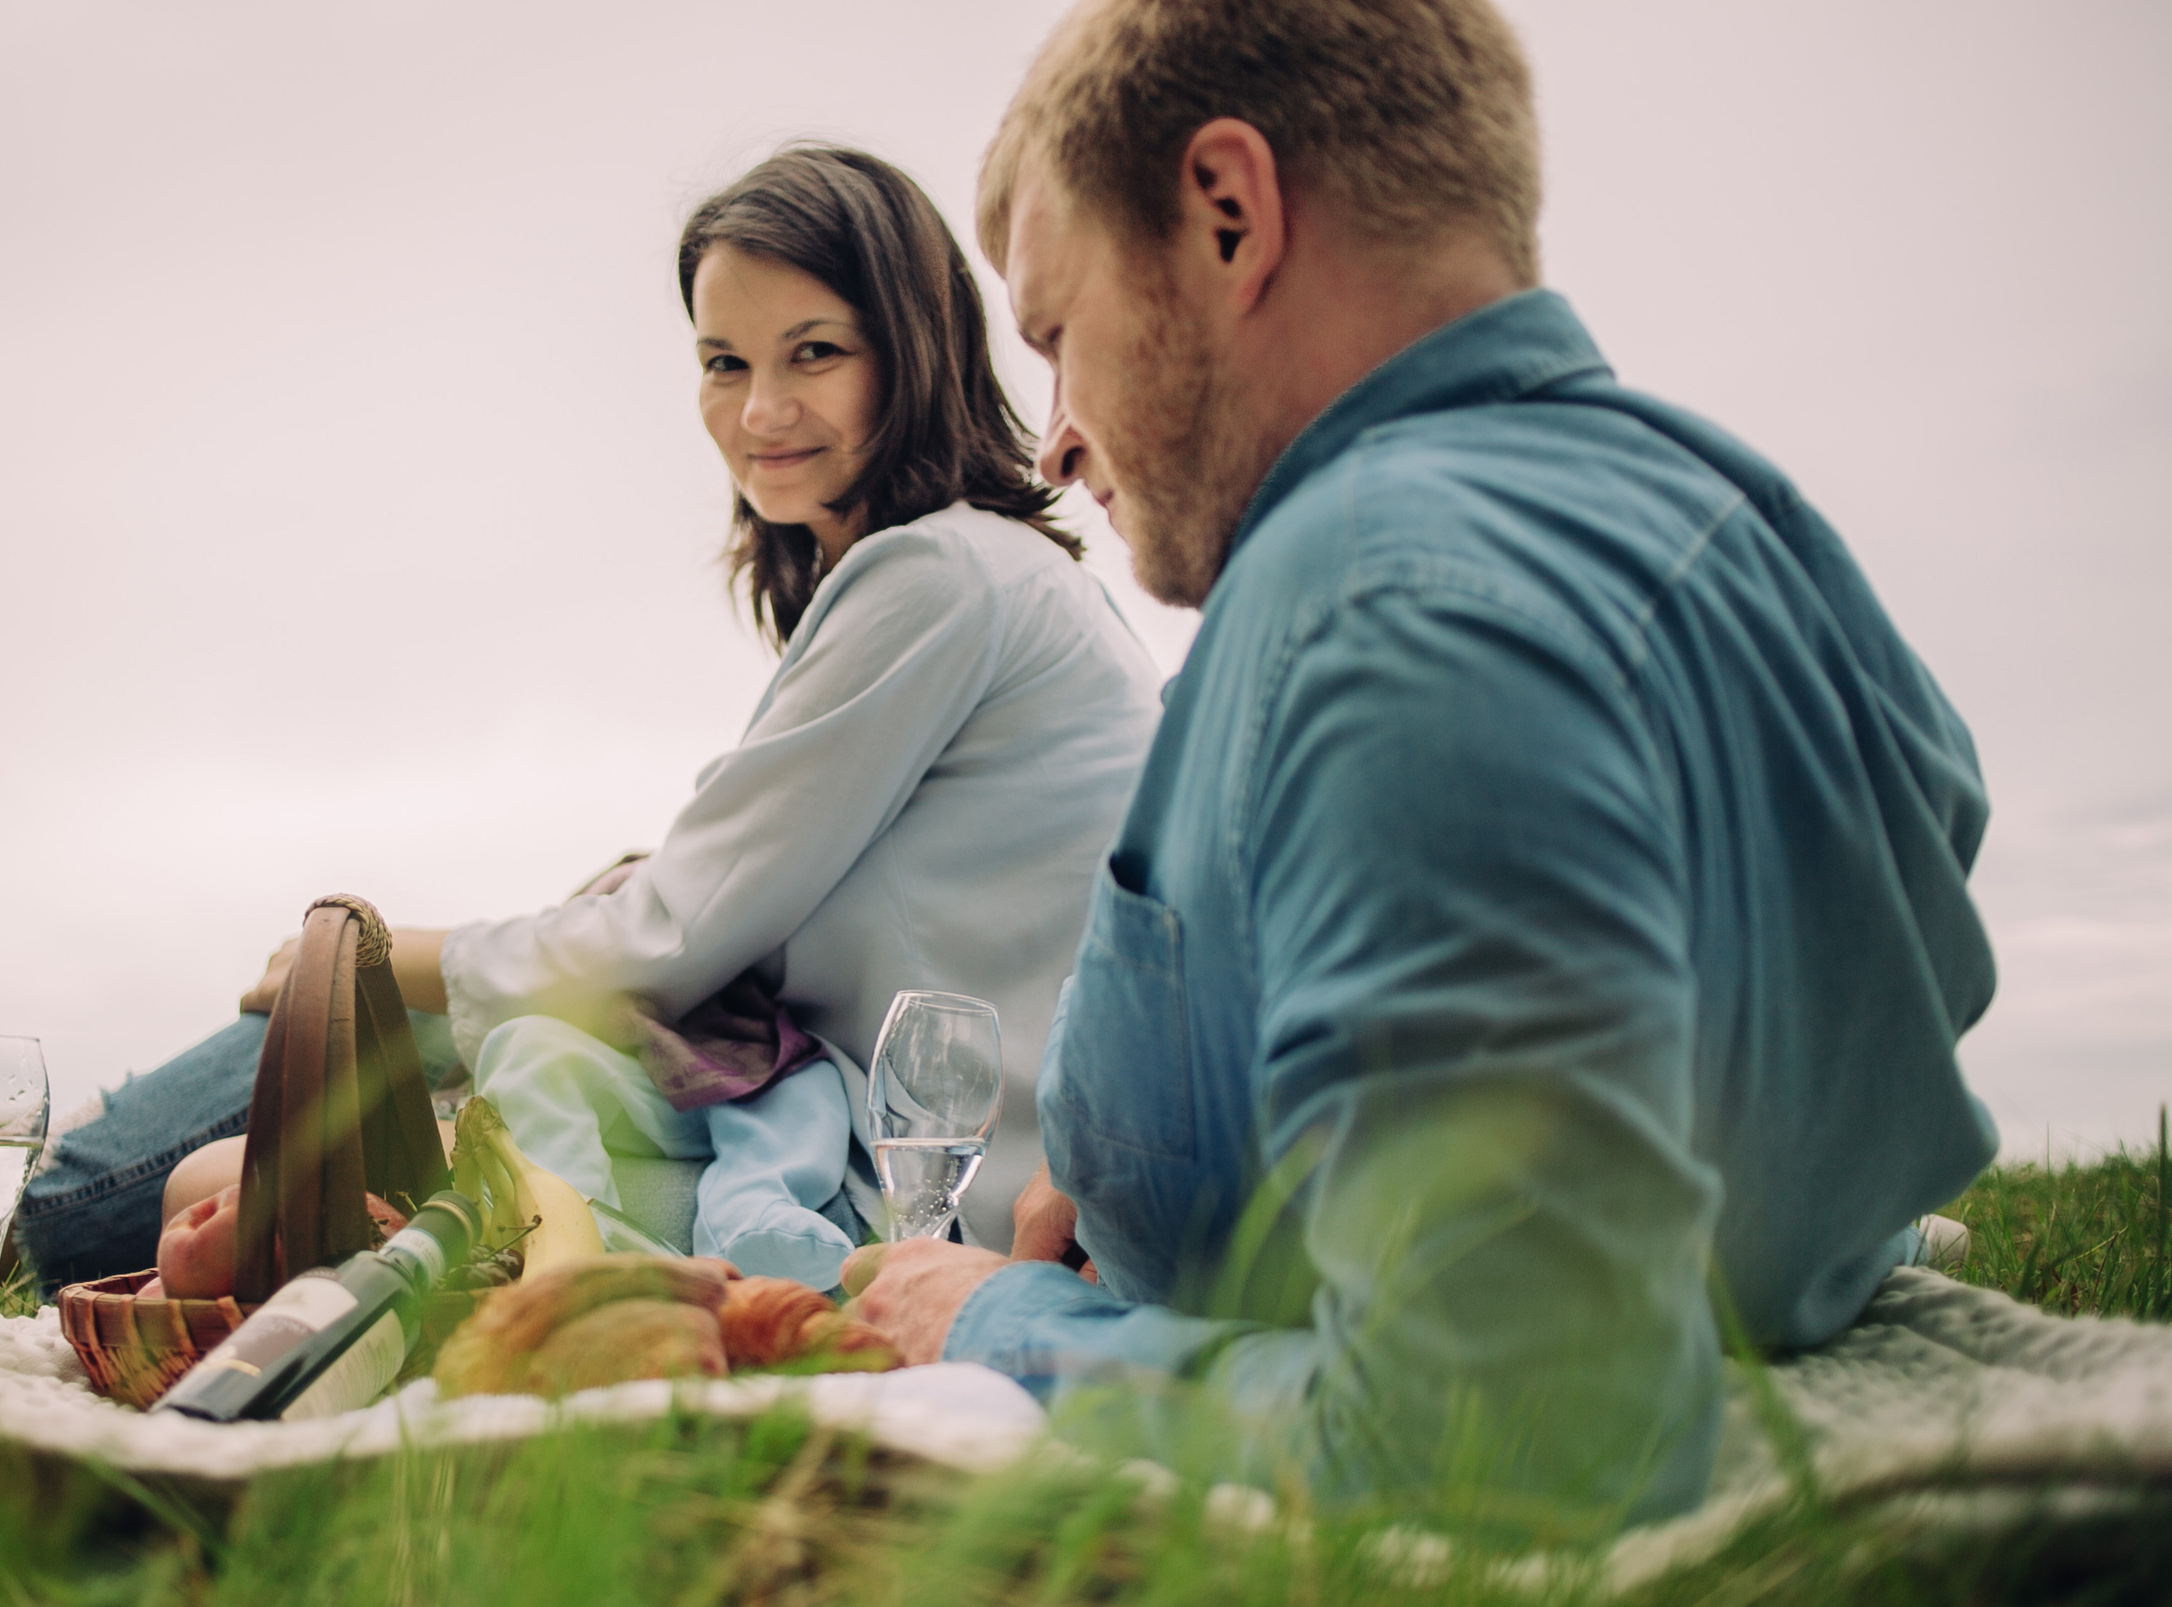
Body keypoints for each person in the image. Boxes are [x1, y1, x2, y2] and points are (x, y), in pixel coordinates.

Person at [0, 146, 1163, 1308]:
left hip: (932, 1196)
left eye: (813, 353)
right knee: (372, 1043)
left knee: (363, 1005)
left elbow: (669, 939)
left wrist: (372, 944)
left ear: (912, 346)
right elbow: (719, 912)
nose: (761, 411)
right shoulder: (974, 578)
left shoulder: (933, 577)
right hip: (868, 1143)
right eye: (723, 361)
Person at [850, 0, 1999, 1525]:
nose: (1056, 438)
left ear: (1228, 213)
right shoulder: (1746, 522)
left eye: (1059, 333)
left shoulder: (1380, 614)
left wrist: (997, 1327)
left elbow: (1500, 1429)